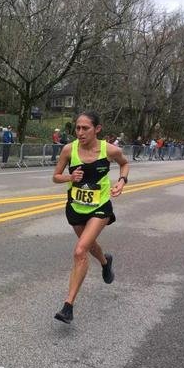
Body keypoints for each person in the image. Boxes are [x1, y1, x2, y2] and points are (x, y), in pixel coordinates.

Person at [52, 111, 129, 324]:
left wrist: (122, 181)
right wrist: (69, 177)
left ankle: (68, 306)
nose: (80, 132)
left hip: (100, 207)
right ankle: (105, 262)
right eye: (77, 128)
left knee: (80, 251)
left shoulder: (110, 150)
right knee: (89, 245)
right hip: (75, 207)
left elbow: (124, 164)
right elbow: (55, 177)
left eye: (85, 128)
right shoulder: (69, 150)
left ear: (97, 129)